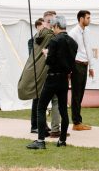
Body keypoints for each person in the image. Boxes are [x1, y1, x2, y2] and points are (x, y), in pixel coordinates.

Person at [27, 15, 78, 150]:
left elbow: (50, 61)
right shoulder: (73, 42)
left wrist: (46, 54)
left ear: (56, 26)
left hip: (52, 78)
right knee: (63, 110)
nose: (52, 30)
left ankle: (40, 141)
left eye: (53, 27)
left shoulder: (55, 41)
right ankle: (62, 140)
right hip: (64, 79)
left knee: (41, 107)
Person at [17, 12, 55, 134]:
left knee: (40, 98)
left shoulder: (44, 35)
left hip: (42, 71)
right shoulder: (44, 35)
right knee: (38, 98)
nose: (51, 23)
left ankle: (40, 124)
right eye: (49, 21)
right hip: (38, 71)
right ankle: (37, 125)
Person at [69, 10, 94, 131]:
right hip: (76, 64)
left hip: (85, 64)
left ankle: (78, 121)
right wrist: (70, 68)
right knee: (76, 94)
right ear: (81, 19)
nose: (89, 20)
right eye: (87, 18)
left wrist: (91, 66)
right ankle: (76, 122)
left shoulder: (87, 32)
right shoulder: (73, 32)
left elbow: (88, 48)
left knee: (81, 93)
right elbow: (70, 51)